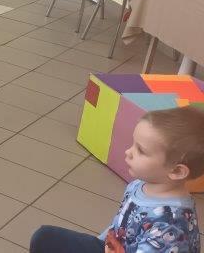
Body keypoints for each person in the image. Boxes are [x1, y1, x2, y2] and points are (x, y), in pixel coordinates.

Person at [30, 107, 202, 253]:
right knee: (44, 238)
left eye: (141, 150)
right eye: (133, 144)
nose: (128, 152)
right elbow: (120, 225)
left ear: (177, 171)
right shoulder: (140, 185)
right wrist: (102, 241)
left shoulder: (169, 226)